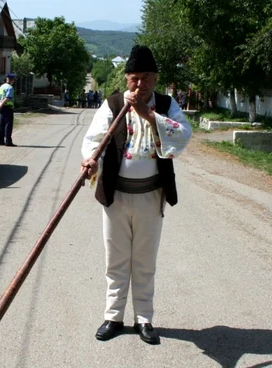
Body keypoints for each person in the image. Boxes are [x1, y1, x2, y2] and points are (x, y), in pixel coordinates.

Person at [79, 45, 192, 345]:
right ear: (127, 77)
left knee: (144, 261)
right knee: (115, 261)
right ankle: (113, 317)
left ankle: (144, 318)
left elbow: (183, 134)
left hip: (150, 197)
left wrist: (150, 116)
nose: (140, 84)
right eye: (134, 77)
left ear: (155, 78)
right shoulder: (113, 104)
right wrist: (91, 160)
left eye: (146, 77)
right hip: (116, 196)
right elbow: (95, 141)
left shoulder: (167, 106)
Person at [0, 73, 17, 146]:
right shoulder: (10, 88)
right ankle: (8, 141)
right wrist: (1, 105)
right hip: (8, 108)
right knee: (8, 125)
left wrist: (0, 105)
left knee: (2, 124)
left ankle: (1, 141)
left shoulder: (1, 87)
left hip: (2, 108)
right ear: (12, 80)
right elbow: (8, 98)